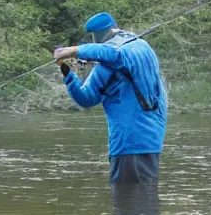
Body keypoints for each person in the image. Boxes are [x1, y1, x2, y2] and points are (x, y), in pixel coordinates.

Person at [52, 12, 168, 183]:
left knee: (128, 201)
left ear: (95, 37)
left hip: (127, 144)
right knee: (145, 199)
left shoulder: (113, 58)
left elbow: (86, 98)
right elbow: (111, 56)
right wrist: (70, 71)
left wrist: (71, 55)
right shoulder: (143, 47)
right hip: (152, 141)